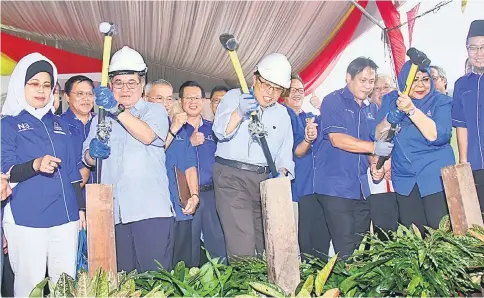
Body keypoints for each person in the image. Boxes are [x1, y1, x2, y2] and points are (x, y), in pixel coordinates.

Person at [82, 46, 175, 272]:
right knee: (122, 282)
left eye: (131, 82)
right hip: (113, 213)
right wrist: (92, 154)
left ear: (142, 84)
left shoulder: (154, 111)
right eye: (119, 83)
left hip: (150, 211)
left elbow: (147, 135)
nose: (125, 88)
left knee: (155, 281)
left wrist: (117, 109)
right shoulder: (99, 119)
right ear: (111, 85)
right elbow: (87, 159)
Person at [1, 53, 84, 296]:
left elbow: (71, 172)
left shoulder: (60, 125)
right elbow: (6, 170)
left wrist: (80, 209)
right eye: (34, 84)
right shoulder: (7, 125)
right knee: (30, 287)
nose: (41, 90)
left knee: (65, 287)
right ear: (21, 85)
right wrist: (35, 165)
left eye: (47, 85)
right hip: (28, 219)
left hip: (66, 217)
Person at [212, 53, 294, 260]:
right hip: (232, 176)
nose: (270, 93)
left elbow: (285, 153)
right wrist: (239, 113)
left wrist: (283, 173)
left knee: (265, 242)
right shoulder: (233, 97)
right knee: (242, 243)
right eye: (266, 85)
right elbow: (220, 131)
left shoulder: (283, 114)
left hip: (265, 181)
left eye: (277, 89)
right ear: (254, 78)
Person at [315, 57, 393, 259]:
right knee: (345, 248)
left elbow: (368, 147)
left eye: (371, 81)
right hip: (336, 186)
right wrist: (374, 147)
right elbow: (337, 139)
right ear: (348, 78)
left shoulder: (370, 109)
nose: (367, 86)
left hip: (361, 188)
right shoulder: (333, 100)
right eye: (362, 80)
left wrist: (375, 164)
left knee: (362, 246)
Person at [374, 60, 454, 232]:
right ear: (404, 81)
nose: (420, 85)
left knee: (441, 235)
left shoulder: (441, 101)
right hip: (405, 179)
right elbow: (377, 135)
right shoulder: (391, 100)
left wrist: (411, 110)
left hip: (435, 177)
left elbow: (437, 136)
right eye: (415, 80)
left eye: (425, 79)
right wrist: (389, 119)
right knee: (415, 238)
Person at [146, 80, 200, 268]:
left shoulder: (182, 129)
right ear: (146, 99)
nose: (165, 103)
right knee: (156, 268)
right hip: (153, 211)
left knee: (181, 268)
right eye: (159, 98)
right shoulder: (140, 128)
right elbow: (154, 154)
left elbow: (190, 165)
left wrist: (194, 195)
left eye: (169, 98)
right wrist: (172, 129)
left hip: (180, 209)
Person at [281, 74, 327, 259]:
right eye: (292, 90)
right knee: (294, 244)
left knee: (317, 242)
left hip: (315, 189)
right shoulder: (280, 115)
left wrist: (323, 108)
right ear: (283, 93)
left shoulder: (310, 117)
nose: (297, 94)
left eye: (300, 90)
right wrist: (307, 139)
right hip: (292, 189)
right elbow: (296, 152)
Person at [452, 20, 484, 214]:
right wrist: (463, 162)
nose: (479, 53)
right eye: (473, 48)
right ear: (467, 49)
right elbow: (461, 124)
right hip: (475, 163)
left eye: (483, 47)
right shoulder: (461, 85)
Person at [367, 75, 399, 235]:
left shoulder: (402, 111)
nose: (381, 92)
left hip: (403, 179)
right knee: (385, 233)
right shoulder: (366, 114)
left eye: (386, 87)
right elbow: (365, 144)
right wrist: (378, 163)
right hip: (378, 182)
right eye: (377, 88)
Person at [60, 75, 96, 188]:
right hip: (72, 194)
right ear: (66, 97)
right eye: (80, 94)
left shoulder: (103, 123)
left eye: (90, 94)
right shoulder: (57, 125)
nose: (86, 98)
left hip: (104, 195)